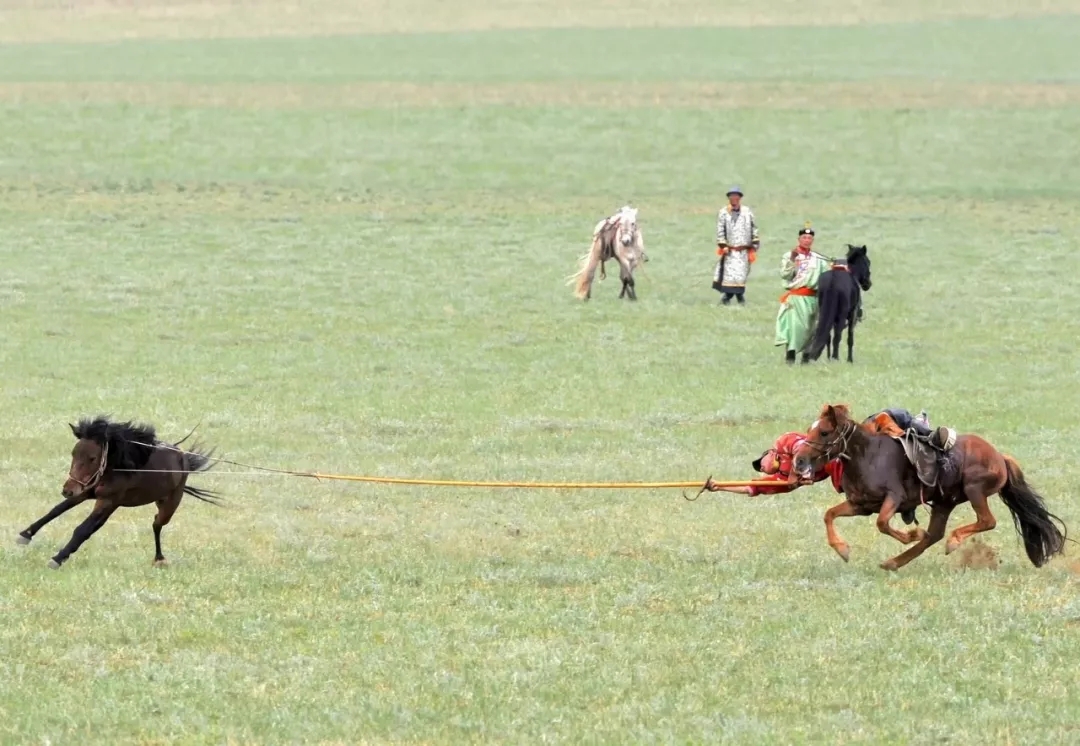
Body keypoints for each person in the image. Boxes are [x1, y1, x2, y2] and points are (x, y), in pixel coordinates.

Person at [704, 431, 843, 497]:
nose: (762, 467)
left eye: (761, 462)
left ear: (770, 453)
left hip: (836, 449)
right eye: (761, 469)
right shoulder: (782, 479)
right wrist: (720, 486)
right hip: (839, 472)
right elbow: (751, 488)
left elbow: (804, 449)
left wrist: (794, 474)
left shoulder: (782, 442)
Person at [775, 222, 829, 364]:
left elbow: (825, 276)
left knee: (811, 328)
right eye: (804, 237)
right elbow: (785, 275)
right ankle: (790, 355)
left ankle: (806, 356)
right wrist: (792, 260)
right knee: (794, 328)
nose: (806, 240)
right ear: (799, 239)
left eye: (809, 238)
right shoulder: (789, 255)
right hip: (796, 298)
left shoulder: (818, 258)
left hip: (812, 298)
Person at [712, 185, 760, 305]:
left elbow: (754, 227)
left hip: (744, 249)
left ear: (740, 198)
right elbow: (720, 230)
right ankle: (729, 297)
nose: (734, 198)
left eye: (736, 196)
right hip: (730, 250)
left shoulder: (747, 212)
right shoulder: (723, 212)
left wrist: (754, 242)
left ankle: (738, 296)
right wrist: (723, 245)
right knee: (730, 275)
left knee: (741, 275)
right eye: (732, 196)